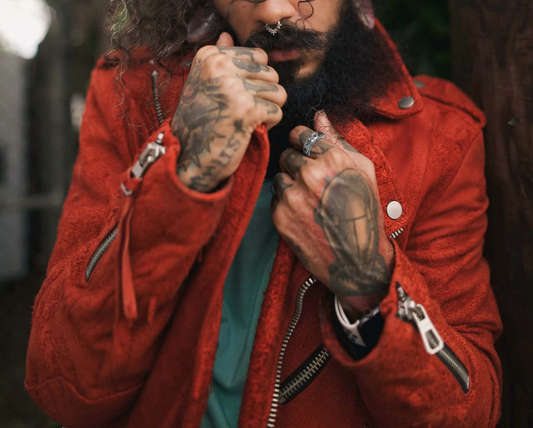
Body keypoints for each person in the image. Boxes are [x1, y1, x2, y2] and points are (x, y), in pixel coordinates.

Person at [25, 0, 503, 427]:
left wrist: (366, 276)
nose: (273, 11)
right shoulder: (130, 95)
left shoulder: (440, 138)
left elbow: (469, 414)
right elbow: (64, 385)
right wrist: (183, 168)